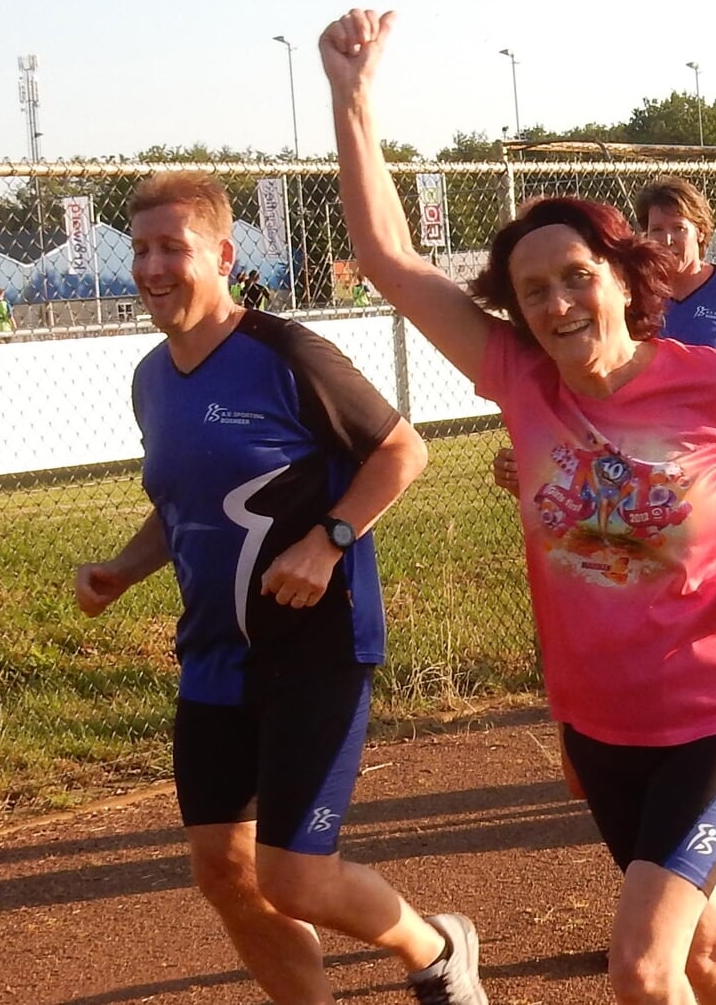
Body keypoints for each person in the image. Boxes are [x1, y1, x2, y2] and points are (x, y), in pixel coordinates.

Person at [323, 8, 716, 1005]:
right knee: (714, 959)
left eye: (575, 277)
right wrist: (353, 96)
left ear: (620, 274)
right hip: (599, 726)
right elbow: (389, 257)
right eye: (533, 291)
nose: (558, 304)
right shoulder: (520, 377)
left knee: (644, 970)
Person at [72, 171, 484, 1005]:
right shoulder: (152, 379)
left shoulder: (287, 353)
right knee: (224, 871)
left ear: (222, 255)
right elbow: (184, 507)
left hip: (315, 648)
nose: (152, 267)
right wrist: (122, 568)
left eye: (172, 249)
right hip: (216, 660)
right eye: (140, 249)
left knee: (294, 876)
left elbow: (404, 451)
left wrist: (329, 540)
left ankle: (436, 946)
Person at [490, 175, 716, 791]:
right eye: (657, 228)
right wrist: (542, 470)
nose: (668, 239)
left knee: (707, 576)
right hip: (618, 481)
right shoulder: (545, 370)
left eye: (678, 228)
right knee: (634, 558)